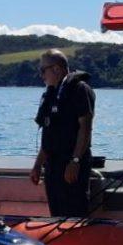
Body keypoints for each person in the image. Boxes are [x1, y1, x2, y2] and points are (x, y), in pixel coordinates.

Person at [29, 49, 95, 217]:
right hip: (53, 165)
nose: (41, 75)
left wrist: (75, 161)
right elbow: (48, 134)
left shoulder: (79, 90)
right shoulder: (50, 94)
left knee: (74, 212)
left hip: (71, 163)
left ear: (57, 69)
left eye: (43, 70)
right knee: (56, 214)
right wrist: (38, 165)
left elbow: (85, 127)